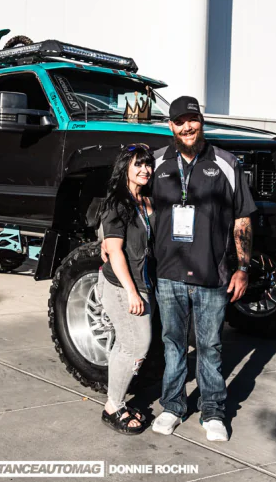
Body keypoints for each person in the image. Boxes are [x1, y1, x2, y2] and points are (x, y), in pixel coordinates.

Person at [104, 96, 256, 441]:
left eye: (193, 119)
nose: (187, 127)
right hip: (168, 274)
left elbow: (242, 219)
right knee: (172, 344)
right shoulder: (156, 162)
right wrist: (106, 237)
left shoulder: (227, 163)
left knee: (210, 346)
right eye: (179, 121)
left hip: (211, 275)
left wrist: (243, 266)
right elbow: (127, 197)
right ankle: (173, 406)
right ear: (170, 126)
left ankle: (214, 410)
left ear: (201, 121)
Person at [97, 143, 157, 435]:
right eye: (138, 164)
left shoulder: (146, 200)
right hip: (123, 285)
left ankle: (117, 400)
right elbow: (117, 251)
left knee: (129, 344)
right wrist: (132, 292)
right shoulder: (119, 202)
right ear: (125, 169)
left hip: (143, 282)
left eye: (148, 164)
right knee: (135, 345)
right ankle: (113, 407)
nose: (145, 170)